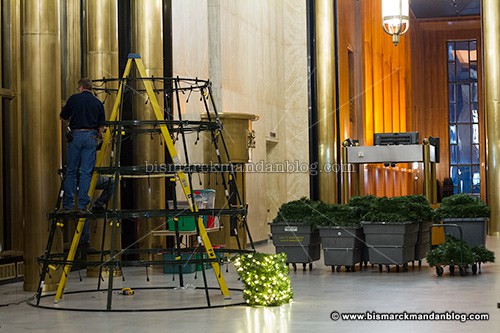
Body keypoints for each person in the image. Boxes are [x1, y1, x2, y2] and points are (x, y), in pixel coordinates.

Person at [60, 78, 105, 216]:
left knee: (71, 172)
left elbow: (62, 117)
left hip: (76, 136)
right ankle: (83, 206)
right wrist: (99, 137)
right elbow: (101, 126)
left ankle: (68, 205)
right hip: (91, 137)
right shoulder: (98, 103)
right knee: (86, 173)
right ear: (90, 88)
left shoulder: (74, 99)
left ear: (80, 87)